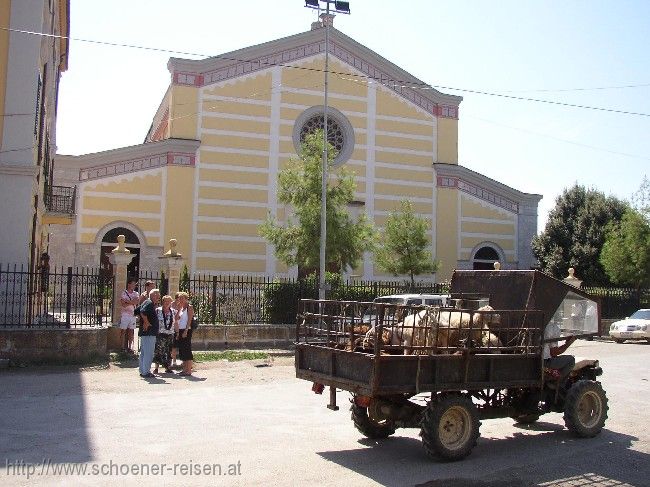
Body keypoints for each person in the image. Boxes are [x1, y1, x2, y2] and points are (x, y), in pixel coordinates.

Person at [543, 319, 576, 385]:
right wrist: (568, 343)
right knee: (571, 360)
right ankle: (556, 383)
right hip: (544, 362)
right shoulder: (551, 327)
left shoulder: (527, 323)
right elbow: (554, 352)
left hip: (532, 360)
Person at [138, 288, 161, 378]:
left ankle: (143, 370)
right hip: (149, 332)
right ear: (153, 295)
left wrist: (145, 321)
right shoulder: (149, 303)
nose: (158, 297)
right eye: (157, 295)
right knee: (148, 353)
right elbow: (143, 313)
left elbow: (137, 311)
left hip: (146, 332)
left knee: (144, 352)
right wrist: (146, 322)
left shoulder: (146, 302)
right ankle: (146, 372)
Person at [153, 295, 175, 374]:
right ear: (163, 302)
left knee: (169, 350)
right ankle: (156, 368)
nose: (167, 303)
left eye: (169, 301)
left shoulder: (173, 311)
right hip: (160, 333)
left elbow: (177, 320)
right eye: (165, 301)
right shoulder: (158, 310)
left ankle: (168, 367)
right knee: (159, 350)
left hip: (170, 333)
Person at [173, 291, 194, 376]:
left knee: (187, 349)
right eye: (179, 298)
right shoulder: (181, 308)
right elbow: (176, 319)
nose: (180, 300)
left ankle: (188, 370)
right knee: (182, 350)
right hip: (180, 330)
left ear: (186, 299)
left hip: (186, 330)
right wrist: (178, 309)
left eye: (182, 298)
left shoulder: (190, 307)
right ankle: (184, 369)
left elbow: (189, 319)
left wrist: (186, 330)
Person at [119, 278, 140, 353]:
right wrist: (132, 302)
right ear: (129, 284)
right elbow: (123, 305)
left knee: (131, 331)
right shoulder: (124, 292)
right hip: (125, 315)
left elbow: (136, 301)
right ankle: (122, 347)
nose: (134, 286)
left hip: (132, 315)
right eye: (133, 284)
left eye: (135, 284)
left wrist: (127, 301)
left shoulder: (136, 293)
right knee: (123, 331)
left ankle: (130, 347)